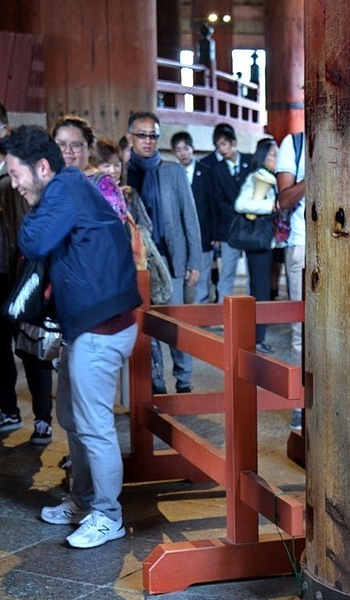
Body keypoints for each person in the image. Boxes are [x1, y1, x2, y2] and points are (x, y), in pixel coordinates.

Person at [0, 126, 142, 549]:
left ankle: (107, 515)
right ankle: (81, 502)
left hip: (102, 330)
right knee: (73, 421)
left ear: (42, 167)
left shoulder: (65, 187)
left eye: (16, 174)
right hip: (86, 329)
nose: (14, 183)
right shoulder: (67, 188)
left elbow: (33, 240)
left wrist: (34, 210)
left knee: (94, 427)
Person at [0, 96, 53, 446]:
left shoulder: (20, 163)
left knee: (32, 345)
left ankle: (44, 418)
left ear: (6, 126)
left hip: (23, 267)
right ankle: (9, 410)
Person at [124, 111, 201, 394]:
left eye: (154, 135)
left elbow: (189, 217)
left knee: (175, 324)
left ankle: (184, 380)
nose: (148, 141)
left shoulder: (172, 171)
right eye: (142, 135)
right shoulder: (122, 172)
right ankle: (155, 382)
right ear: (130, 136)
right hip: (137, 262)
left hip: (170, 258)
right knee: (146, 327)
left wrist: (194, 259)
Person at [233, 137, 282, 354]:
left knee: (266, 290)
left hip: (271, 242)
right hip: (258, 243)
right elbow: (241, 204)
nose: (276, 158)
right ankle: (256, 339)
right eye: (273, 154)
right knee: (259, 291)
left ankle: (258, 336)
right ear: (263, 156)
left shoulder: (274, 177)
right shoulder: (255, 177)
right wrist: (271, 205)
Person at [193, 122, 250, 304]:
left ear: (233, 142)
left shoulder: (250, 161)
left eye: (224, 144)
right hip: (228, 229)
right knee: (227, 274)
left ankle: (252, 313)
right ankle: (222, 313)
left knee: (252, 273)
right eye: (218, 146)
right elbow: (216, 202)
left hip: (251, 227)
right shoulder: (217, 169)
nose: (221, 149)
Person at [276, 130, 307, 430]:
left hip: (349, 243)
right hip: (303, 244)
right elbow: (284, 200)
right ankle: (300, 402)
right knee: (301, 331)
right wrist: (317, 171)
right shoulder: (294, 144)